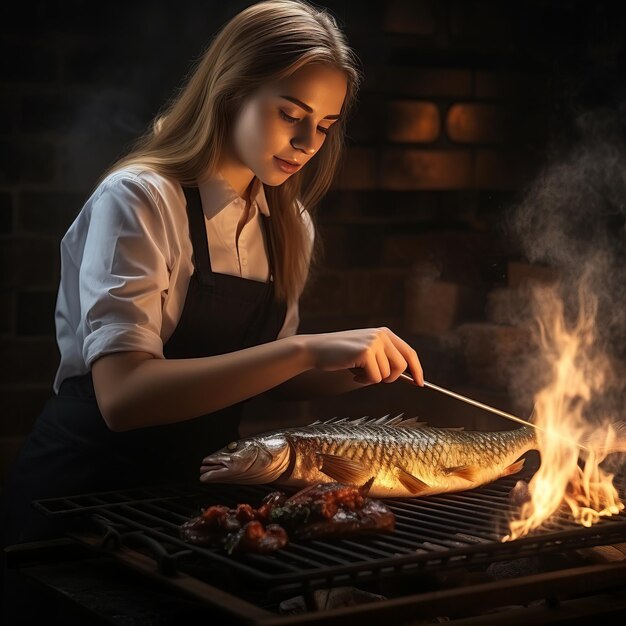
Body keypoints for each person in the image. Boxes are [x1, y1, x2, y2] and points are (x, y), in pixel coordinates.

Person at [0, 0, 423, 549]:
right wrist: (307, 350)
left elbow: (268, 371)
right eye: (291, 115)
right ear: (230, 92)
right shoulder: (140, 198)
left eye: (324, 126)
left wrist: (354, 364)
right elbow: (123, 397)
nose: (306, 143)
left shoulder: (289, 223)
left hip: (193, 495)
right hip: (80, 497)